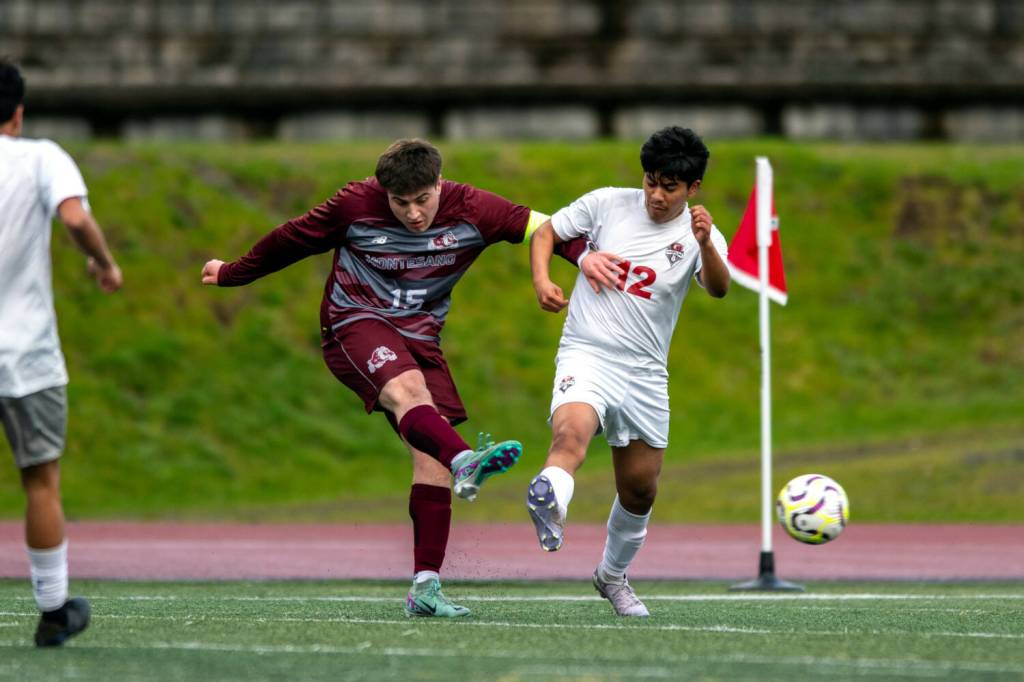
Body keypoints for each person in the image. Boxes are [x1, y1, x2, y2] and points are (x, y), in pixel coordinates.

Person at [202, 139, 589, 618]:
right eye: (400, 203)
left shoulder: (474, 208)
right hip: (354, 322)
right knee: (410, 395)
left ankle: (425, 588)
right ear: (382, 192)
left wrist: (592, 260)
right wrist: (233, 273)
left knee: (432, 463)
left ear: (439, 184)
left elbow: (547, 227)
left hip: (421, 336)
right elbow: (289, 238)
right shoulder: (354, 204)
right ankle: (468, 459)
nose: (412, 213)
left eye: (422, 200)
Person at [526, 126, 730, 617]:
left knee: (639, 489)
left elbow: (719, 289)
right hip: (587, 352)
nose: (656, 196)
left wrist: (705, 244)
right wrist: (542, 280)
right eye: (650, 182)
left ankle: (611, 577)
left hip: (644, 372)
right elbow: (546, 231)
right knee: (569, 437)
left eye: (670, 187)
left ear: (693, 188)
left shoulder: (699, 232)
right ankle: (548, 497)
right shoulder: (606, 203)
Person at [0, 59, 123, 646]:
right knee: (40, 481)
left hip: (27, 353)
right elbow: (74, 216)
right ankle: (53, 611)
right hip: (26, 353)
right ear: (18, 112)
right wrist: (103, 261)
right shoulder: (41, 156)